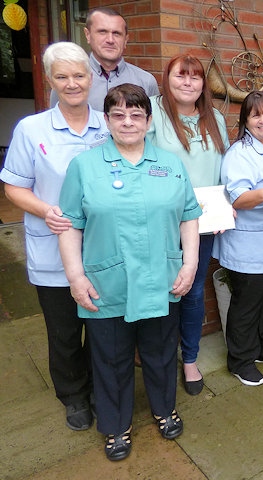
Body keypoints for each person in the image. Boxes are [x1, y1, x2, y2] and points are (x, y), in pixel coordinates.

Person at [57, 84, 201, 461]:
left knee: (160, 352)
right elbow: (71, 224)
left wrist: (190, 263)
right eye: (118, 114)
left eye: (136, 114)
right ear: (107, 120)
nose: (128, 122)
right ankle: (115, 426)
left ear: (148, 121)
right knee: (111, 358)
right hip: (107, 283)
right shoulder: (84, 166)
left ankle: (163, 408)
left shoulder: (169, 164)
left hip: (162, 278)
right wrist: (75, 276)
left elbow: (189, 215)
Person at [0, 42, 109, 431]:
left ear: (90, 78)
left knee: (101, 329)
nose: (72, 83)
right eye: (62, 76)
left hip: (101, 251)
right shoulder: (31, 129)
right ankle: (74, 396)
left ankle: (100, 389)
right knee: (64, 332)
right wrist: (47, 210)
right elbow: (14, 187)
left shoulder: (108, 125)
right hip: (52, 249)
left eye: (79, 75)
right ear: (50, 80)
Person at [146, 54, 229, 395]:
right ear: (167, 79)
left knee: (193, 292)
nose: (188, 83)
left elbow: (223, 170)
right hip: (160, 221)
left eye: (195, 78)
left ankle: (190, 359)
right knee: (162, 289)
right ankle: (159, 356)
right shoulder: (151, 112)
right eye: (181, 76)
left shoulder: (216, 119)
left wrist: (226, 208)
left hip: (203, 222)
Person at [212, 91, 263, 386]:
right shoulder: (239, 154)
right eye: (255, 115)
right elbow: (237, 198)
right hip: (250, 245)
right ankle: (240, 359)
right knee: (247, 305)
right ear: (246, 120)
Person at [50, 7, 159, 111]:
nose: (110, 40)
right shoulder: (68, 82)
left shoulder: (146, 82)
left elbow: (153, 126)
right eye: (102, 32)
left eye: (116, 33)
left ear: (126, 39)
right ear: (87, 35)